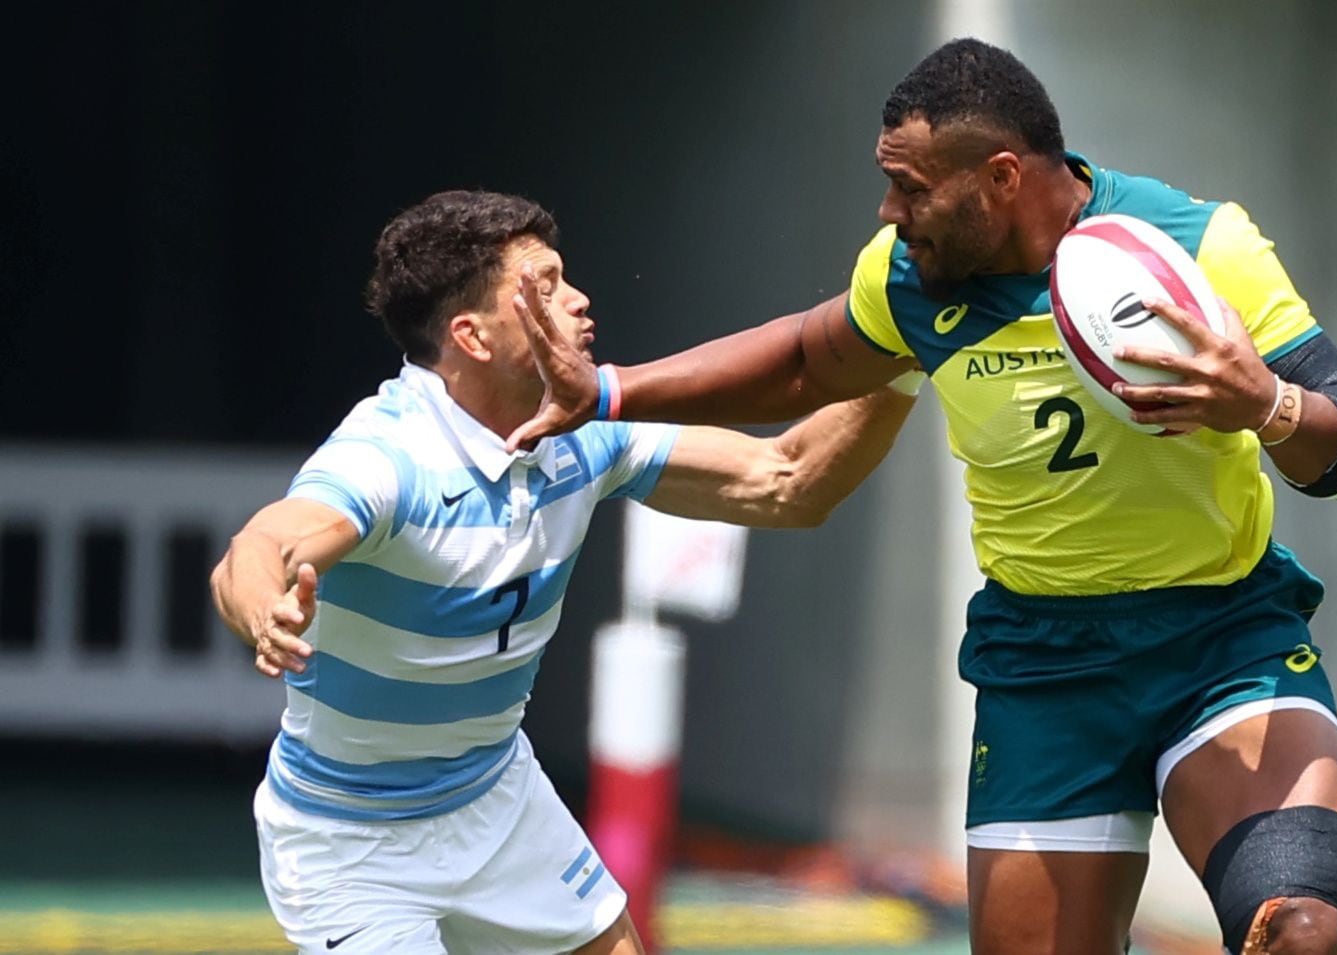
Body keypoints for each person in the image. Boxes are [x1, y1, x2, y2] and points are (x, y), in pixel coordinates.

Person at [501, 38, 1337, 955]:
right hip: (1044, 670)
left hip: (1222, 640)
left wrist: (1268, 406)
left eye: (913, 188)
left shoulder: (1202, 248)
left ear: (1000, 177)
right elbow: (806, 359)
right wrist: (607, 391)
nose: (891, 210)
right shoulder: (907, 279)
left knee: (1297, 932)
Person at [209, 189, 918, 955]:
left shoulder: (584, 432)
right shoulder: (389, 459)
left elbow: (786, 480)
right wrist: (262, 605)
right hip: (350, 843)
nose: (579, 301)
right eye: (545, 288)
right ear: (471, 337)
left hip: (496, 799)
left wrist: (907, 351)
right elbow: (261, 547)